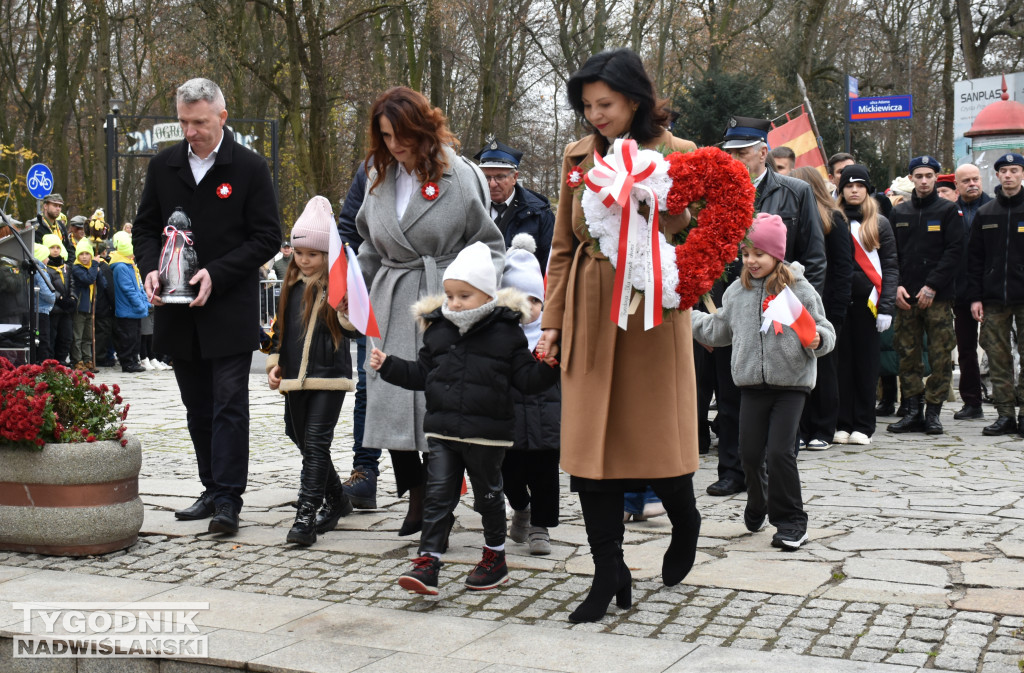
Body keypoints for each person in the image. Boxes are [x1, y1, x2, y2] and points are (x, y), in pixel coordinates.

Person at [536, 48, 702, 624]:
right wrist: (551, 323)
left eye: (604, 103)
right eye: (586, 106)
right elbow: (562, 246)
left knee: (659, 442)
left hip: (653, 309)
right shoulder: (577, 156)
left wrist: (659, 209)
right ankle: (609, 569)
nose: (595, 115)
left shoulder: (681, 155)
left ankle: (686, 519)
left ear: (635, 98)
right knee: (589, 449)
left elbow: (708, 232)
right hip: (588, 307)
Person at [133, 77, 281, 535]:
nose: (191, 131)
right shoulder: (163, 166)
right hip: (178, 310)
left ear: (222, 115)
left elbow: (267, 237)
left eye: (199, 122)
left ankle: (229, 499)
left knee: (229, 405)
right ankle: (210, 487)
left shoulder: (250, 168)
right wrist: (150, 267)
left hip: (228, 308)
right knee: (196, 406)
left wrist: (218, 272)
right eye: (183, 122)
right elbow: (145, 228)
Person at [355, 86, 504, 538]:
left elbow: (489, 244)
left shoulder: (459, 174)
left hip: (444, 299)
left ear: (423, 129)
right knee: (394, 407)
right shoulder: (378, 174)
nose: (394, 145)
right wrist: (352, 290)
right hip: (389, 299)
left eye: (402, 135)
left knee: (442, 404)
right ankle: (417, 500)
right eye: (385, 136)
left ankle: (457, 498)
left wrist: (472, 302)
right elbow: (366, 240)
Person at [370, 242, 559, 595]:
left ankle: (495, 556)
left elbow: (527, 381)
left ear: (488, 295)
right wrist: (390, 365)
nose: (454, 303)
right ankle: (428, 561)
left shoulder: (506, 333)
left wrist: (549, 366)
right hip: (442, 431)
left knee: (488, 496)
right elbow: (423, 374)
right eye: (450, 295)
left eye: (463, 296)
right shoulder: (439, 329)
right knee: (438, 495)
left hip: (487, 436)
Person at [692, 213, 835, 550]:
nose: (751, 261)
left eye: (758, 254)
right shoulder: (736, 291)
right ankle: (758, 501)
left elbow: (824, 329)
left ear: (777, 255)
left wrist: (818, 340)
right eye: (745, 254)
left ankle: (791, 521)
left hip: (792, 385)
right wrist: (684, 313)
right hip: (751, 386)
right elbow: (718, 331)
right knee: (751, 455)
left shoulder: (798, 288)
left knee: (780, 452)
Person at [704, 114, 826, 497]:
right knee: (729, 394)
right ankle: (732, 470)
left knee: (780, 396)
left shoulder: (794, 191)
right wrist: (712, 315)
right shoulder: (717, 193)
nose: (735, 158)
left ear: (763, 151)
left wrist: (803, 308)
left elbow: (813, 255)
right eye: (731, 152)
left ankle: (778, 475)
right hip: (735, 305)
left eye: (742, 152)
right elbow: (705, 252)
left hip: (783, 310)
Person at [267, 196, 358, 545]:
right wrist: (275, 365)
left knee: (317, 443)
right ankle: (337, 499)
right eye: (300, 252)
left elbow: (353, 328)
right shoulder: (289, 287)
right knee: (298, 435)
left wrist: (346, 308)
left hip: (328, 375)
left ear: (326, 255)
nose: (304, 260)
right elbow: (279, 331)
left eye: (313, 254)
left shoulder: (337, 286)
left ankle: (306, 515)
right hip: (294, 378)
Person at [887, 156, 964, 435]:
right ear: (910, 178)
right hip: (905, 295)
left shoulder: (948, 210)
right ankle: (912, 411)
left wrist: (932, 285)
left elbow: (955, 252)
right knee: (907, 354)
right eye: (918, 176)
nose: (923, 181)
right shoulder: (900, 212)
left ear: (935, 178)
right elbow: (891, 253)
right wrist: (895, 285)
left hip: (938, 297)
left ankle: (933, 412)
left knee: (941, 354)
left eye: (928, 176)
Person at [499, 234, 562, 555]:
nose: (528, 308)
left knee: (545, 478)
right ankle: (520, 506)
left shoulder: (552, 339)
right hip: (508, 424)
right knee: (509, 474)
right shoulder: (498, 340)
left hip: (546, 422)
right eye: (519, 300)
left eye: (535, 301)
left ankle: (541, 525)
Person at [834, 165, 899, 444]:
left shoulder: (880, 223)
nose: (854, 190)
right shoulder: (832, 219)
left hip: (869, 305)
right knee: (841, 366)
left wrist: (886, 307)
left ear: (868, 189)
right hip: (838, 304)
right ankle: (842, 423)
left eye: (860, 186)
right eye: (849, 186)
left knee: (866, 367)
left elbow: (891, 267)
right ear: (842, 189)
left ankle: (863, 424)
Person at [791, 166, 852, 450]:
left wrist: (836, 311)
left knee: (825, 369)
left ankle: (823, 429)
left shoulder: (835, 220)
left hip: (825, 308)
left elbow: (842, 269)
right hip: (794, 307)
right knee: (797, 367)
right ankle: (800, 428)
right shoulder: (792, 221)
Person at [968, 153, 1024, 437]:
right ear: (998, 175)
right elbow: (975, 259)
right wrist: (976, 297)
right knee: (998, 357)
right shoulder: (986, 213)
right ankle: (1005, 414)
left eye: (1014, 170)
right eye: (1004, 171)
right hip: (992, 298)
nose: (1009, 175)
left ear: (1022, 174)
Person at [336, 162, 380, 509]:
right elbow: (348, 228)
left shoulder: (442, 165)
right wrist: (350, 283)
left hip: (427, 291)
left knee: (431, 385)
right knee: (369, 384)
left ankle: (435, 478)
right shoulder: (369, 170)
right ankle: (364, 472)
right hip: (375, 291)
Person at [473, 139, 555, 268]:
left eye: (500, 177)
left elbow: (548, 263)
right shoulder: (471, 209)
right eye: (486, 177)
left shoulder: (539, 213)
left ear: (515, 178)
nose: (492, 184)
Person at [952, 163, 992, 421]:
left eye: (975, 178)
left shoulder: (994, 208)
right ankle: (972, 401)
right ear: (957, 184)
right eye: (966, 180)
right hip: (960, 289)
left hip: (992, 289)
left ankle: (1007, 400)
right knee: (965, 348)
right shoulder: (949, 211)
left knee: (997, 347)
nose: (972, 184)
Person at [109, 231, 151, 373]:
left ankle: (134, 359)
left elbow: (138, 286)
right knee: (128, 337)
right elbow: (128, 289)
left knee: (135, 338)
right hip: (128, 309)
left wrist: (145, 301)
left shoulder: (129, 265)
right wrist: (140, 304)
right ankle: (127, 362)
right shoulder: (121, 267)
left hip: (134, 309)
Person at [43, 233, 74, 364]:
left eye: (57, 247)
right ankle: (52, 360)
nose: (55, 250)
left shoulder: (66, 267)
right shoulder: (45, 268)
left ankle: (62, 359)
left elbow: (72, 283)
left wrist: (72, 297)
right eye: (52, 247)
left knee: (66, 336)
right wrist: (59, 298)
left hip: (66, 308)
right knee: (52, 336)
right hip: (54, 308)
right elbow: (47, 286)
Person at [31, 244, 57, 363]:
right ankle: (43, 364)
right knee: (44, 339)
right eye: (46, 256)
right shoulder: (40, 272)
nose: (48, 259)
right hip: (41, 310)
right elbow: (47, 292)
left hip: (36, 309)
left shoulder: (34, 270)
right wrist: (53, 297)